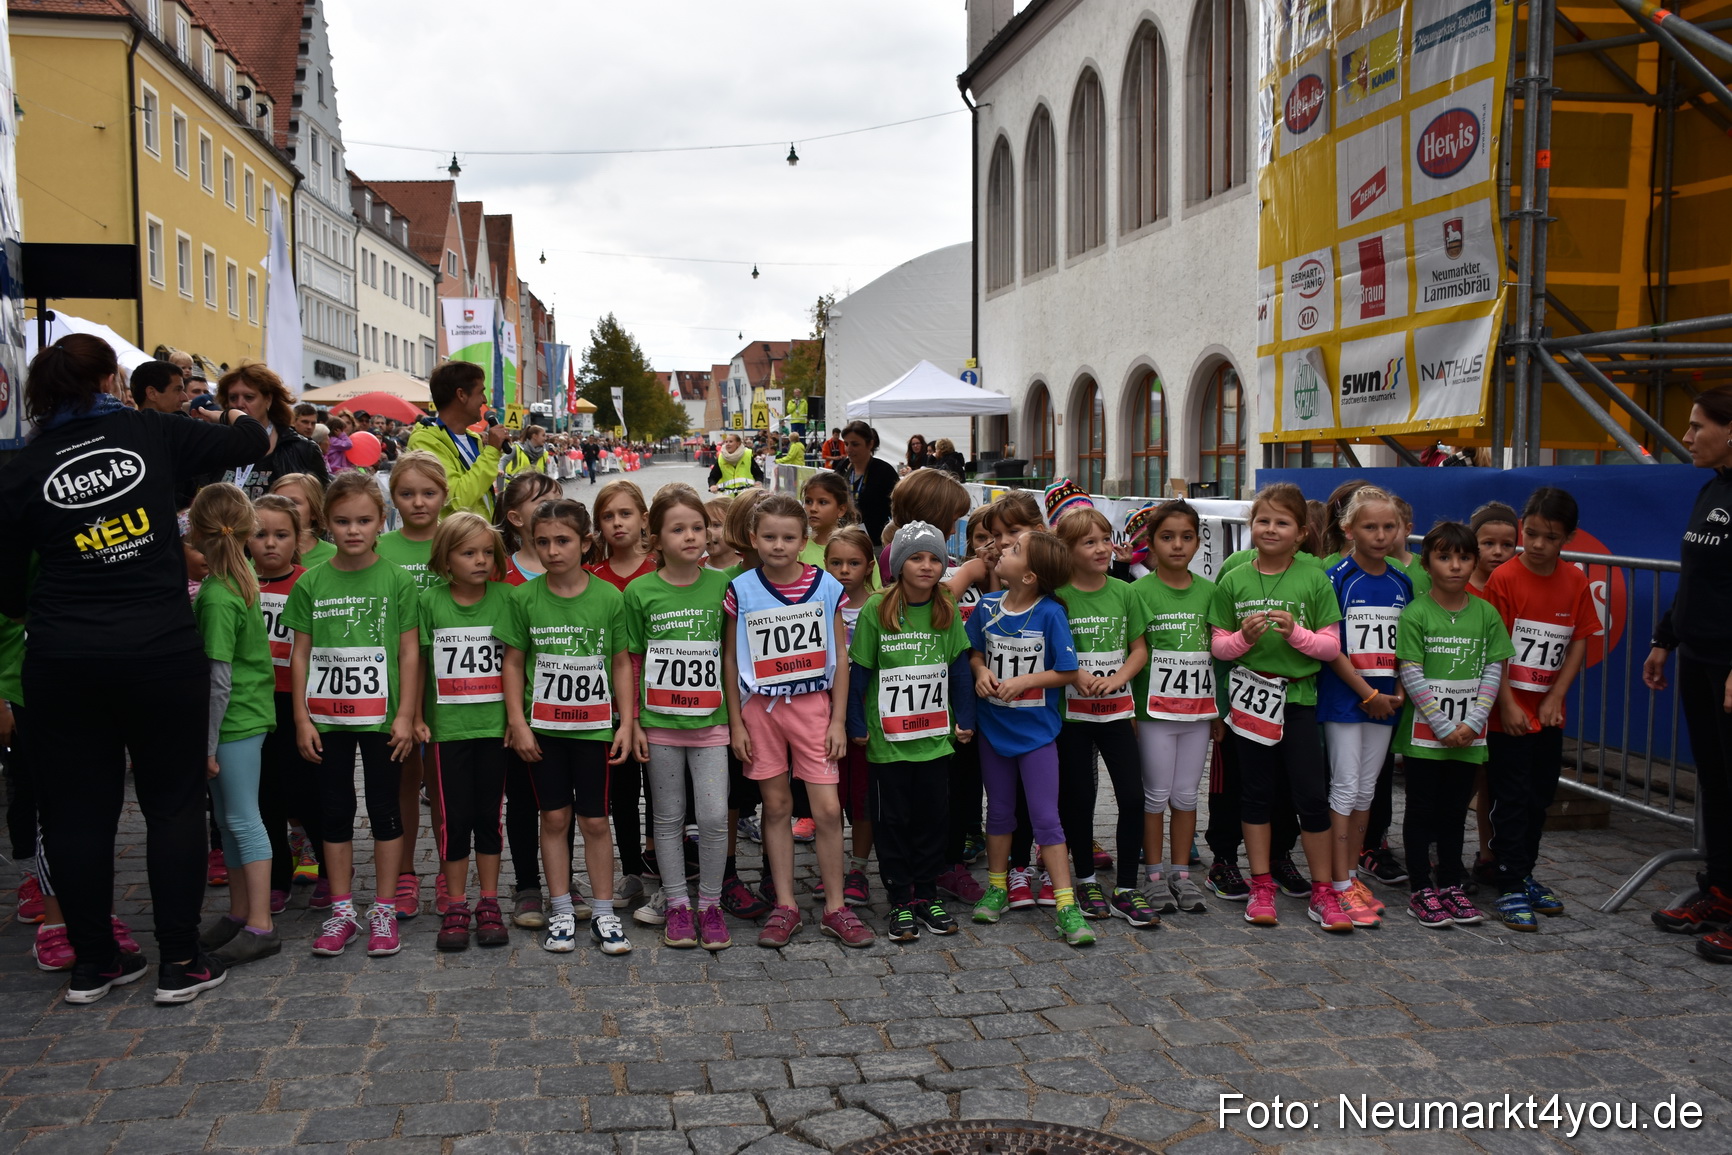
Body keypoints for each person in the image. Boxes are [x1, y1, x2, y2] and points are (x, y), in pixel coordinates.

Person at [0, 333, 268, 1005]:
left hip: (64, 658)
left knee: (77, 813)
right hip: (158, 652)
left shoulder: (23, 467)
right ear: (106, 382)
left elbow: (6, 592)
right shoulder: (152, 431)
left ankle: (95, 962)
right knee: (173, 803)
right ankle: (180, 959)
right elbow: (254, 441)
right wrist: (217, 411)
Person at [722, 494, 871, 948]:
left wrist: (838, 721)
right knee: (778, 807)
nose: (779, 545)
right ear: (753, 538)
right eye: (769, 537)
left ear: (804, 540)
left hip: (813, 708)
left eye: (789, 537)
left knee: (827, 809)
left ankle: (835, 906)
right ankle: (785, 904)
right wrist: (737, 723)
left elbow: (840, 656)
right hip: (760, 710)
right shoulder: (741, 588)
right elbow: (729, 658)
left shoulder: (826, 586)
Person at [286, 472, 422, 961]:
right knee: (336, 810)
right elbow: (300, 653)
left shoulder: (396, 579)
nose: (353, 530)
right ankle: (342, 908)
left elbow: (410, 652)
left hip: (382, 717)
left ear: (379, 520)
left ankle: (383, 906)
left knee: (385, 809)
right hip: (328, 720)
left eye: (364, 520)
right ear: (325, 523)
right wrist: (302, 718)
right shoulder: (312, 582)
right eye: (342, 521)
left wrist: (405, 714)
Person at [1207, 482, 1348, 932]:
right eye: (1263, 520)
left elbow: (1330, 647)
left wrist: (1296, 635)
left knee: (1311, 795)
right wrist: (1243, 639)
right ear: (1251, 526)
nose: (1271, 529)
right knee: (1256, 794)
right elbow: (1218, 647)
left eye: (1281, 522)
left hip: (1300, 699)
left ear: (1302, 532)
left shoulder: (1313, 578)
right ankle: (1261, 883)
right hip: (1250, 703)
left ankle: (1324, 890)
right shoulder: (1234, 579)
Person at [500, 499, 637, 956]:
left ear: (584, 542)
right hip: (543, 729)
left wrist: (627, 721)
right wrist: (517, 722)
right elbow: (514, 662)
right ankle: (560, 907)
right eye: (542, 542)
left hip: (595, 729)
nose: (553, 551)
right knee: (554, 817)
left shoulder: (608, 597)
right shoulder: (522, 597)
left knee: (596, 820)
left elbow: (620, 662)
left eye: (563, 541)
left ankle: (602, 911)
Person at [848, 521, 976, 942]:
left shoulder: (944, 608)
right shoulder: (877, 609)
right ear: (899, 564)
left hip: (935, 743)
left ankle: (925, 893)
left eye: (935, 558)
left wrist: (966, 718)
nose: (926, 565)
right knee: (893, 822)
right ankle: (900, 897)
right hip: (888, 745)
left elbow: (958, 670)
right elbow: (862, 671)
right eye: (916, 558)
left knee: (932, 820)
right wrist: (855, 723)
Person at [966, 529, 1090, 945]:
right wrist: (981, 672)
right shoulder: (985, 606)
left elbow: (1068, 671)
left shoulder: (1051, 613)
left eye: (1015, 550)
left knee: (1046, 818)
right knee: (999, 812)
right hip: (994, 732)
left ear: (1030, 576)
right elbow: (974, 651)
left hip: (1037, 735)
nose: (1003, 549)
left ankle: (1066, 903)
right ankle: (998, 887)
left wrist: (1025, 682)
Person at [625, 488, 734, 950]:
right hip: (660, 725)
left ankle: (709, 903)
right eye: (678, 529)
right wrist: (631, 721)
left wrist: (740, 723)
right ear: (657, 538)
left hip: (711, 724)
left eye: (697, 527)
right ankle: (675, 903)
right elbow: (631, 659)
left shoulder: (723, 585)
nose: (691, 536)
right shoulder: (640, 591)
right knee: (667, 818)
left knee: (711, 816)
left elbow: (731, 655)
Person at [1482, 486, 1594, 931]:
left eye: (1550, 536)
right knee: (1509, 797)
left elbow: (1579, 640)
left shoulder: (1575, 581)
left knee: (1538, 797)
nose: (1539, 545)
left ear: (1568, 537)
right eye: (1531, 534)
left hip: (1547, 713)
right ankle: (1507, 880)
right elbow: (1495, 647)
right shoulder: (1505, 579)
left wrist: (1555, 697)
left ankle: (1524, 872)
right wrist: (1507, 703)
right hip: (1507, 712)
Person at [1645, 387, 1732, 960]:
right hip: (1699, 657)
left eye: (1699, 425)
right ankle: (1722, 893)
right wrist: (1665, 637)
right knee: (1718, 785)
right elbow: (1696, 574)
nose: (1689, 435)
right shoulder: (1712, 488)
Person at [1396, 522, 1510, 929]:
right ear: (1427, 564)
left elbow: (1494, 669)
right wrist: (1443, 724)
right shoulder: (1416, 613)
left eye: (1464, 557)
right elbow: (1410, 670)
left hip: (1470, 736)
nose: (1455, 566)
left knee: (1453, 812)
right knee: (1421, 809)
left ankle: (1450, 883)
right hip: (1426, 736)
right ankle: (1420, 889)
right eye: (1445, 557)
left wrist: (1475, 720)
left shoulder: (1486, 614)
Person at [188, 484, 281, 971]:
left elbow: (217, 679)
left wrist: (205, 743)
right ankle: (242, 913)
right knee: (229, 822)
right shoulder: (236, 578)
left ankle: (261, 924)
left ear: (196, 533)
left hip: (233, 723)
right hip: (241, 718)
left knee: (243, 820)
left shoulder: (219, 594)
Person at [1316, 487, 1415, 929]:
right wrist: (1367, 694)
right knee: (1343, 786)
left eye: (1388, 527)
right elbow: (1331, 647)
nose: (1380, 535)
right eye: (1370, 527)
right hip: (1346, 700)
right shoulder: (1337, 577)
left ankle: (1353, 875)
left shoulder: (1402, 581)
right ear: (1348, 529)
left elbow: (1407, 645)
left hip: (1385, 700)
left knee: (1367, 791)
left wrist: (1395, 692)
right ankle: (1337, 882)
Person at [418, 513, 513, 951]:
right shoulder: (429, 602)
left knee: (488, 817)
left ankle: (489, 901)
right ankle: (456, 902)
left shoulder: (507, 598)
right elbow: (417, 663)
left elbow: (518, 664)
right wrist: (416, 716)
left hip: (495, 729)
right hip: (447, 731)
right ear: (445, 558)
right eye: (467, 552)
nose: (479, 560)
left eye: (486, 552)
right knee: (453, 821)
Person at [1052, 507, 1147, 923]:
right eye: (1089, 542)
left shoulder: (1125, 591)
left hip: (1115, 712)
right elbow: (1051, 652)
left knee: (1132, 796)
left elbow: (1139, 648)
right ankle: (1086, 879)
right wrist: (1078, 674)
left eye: (1105, 539)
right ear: (1068, 551)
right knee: (1079, 799)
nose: (1102, 549)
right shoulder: (1057, 597)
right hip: (1072, 718)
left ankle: (1127, 886)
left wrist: (1118, 678)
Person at [1129, 501, 1214, 924]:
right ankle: (1154, 873)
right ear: (1150, 542)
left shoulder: (1210, 592)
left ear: (1199, 541)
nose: (1177, 545)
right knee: (1155, 794)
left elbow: (1220, 656)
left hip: (1197, 712)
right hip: (1153, 713)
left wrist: (1220, 714)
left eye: (1186, 536)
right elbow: (1130, 652)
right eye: (1167, 537)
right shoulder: (1138, 592)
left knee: (1185, 794)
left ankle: (1181, 872)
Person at [374, 451, 451, 918]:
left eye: (428, 493)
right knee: (403, 778)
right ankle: (404, 873)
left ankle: (448, 869)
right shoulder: (382, 549)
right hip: (398, 680)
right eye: (407, 494)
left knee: (444, 783)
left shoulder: (457, 539)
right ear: (393, 498)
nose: (418, 502)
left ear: (445, 495)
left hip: (450, 680)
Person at [247, 494, 317, 909]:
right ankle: (276, 876)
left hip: (299, 704)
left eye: (281, 535)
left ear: (300, 538)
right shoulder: (238, 582)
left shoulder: (309, 581)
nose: (270, 544)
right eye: (260, 535)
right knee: (265, 795)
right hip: (255, 703)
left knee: (308, 791)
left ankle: (327, 865)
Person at [826, 525, 880, 907]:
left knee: (862, 798)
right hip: (824, 716)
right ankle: (830, 870)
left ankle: (858, 868)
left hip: (867, 719)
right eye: (836, 562)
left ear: (869, 566)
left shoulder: (881, 605)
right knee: (828, 798)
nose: (844, 570)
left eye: (853, 562)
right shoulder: (819, 605)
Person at [407, 361, 510, 518]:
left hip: (480, 537)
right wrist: (493, 451)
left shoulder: (473, 439)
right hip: (454, 540)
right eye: (480, 392)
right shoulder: (424, 442)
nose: (484, 400)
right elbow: (458, 498)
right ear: (461, 395)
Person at [213, 362, 328, 500]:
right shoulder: (216, 445)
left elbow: (322, 504)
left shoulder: (303, 450)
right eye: (233, 398)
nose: (239, 404)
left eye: (249, 397)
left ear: (268, 400)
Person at [841, 421, 899, 546]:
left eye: (855, 444)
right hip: (844, 539)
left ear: (870, 444)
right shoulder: (842, 468)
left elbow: (898, 509)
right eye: (846, 444)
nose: (849, 449)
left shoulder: (884, 472)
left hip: (875, 543)